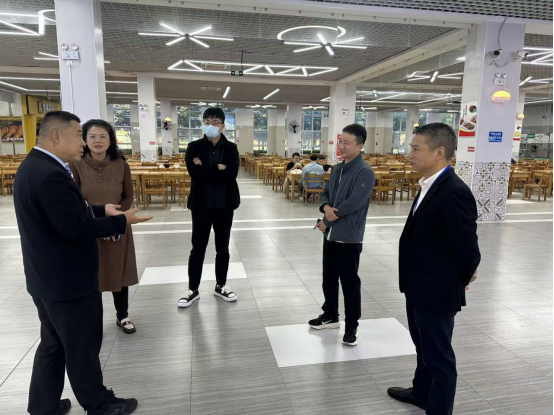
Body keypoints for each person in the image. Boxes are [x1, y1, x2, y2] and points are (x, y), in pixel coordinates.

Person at [14, 111, 152, 415]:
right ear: (56, 136)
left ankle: (43, 407)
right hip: (68, 282)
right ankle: (99, 404)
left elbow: (64, 214)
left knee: (53, 345)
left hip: (45, 278)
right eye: (79, 135)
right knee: (82, 347)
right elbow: (75, 227)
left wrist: (102, 209)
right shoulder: (51, 174)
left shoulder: (33, 166)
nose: (84, 141)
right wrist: (121, 222)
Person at [387, 123, 481, 415]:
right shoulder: (429, 184)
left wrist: (459, 278)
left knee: (440, 359)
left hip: (437, 290)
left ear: (439, 152)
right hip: (418, 285)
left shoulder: (454, 191)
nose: (410, 154)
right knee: (423, 347)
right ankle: (421, 393)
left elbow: (467, 248)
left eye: (416, 148)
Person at [69, 119, 138, 335]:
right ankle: (93, 320)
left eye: (103, 136)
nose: (97, 141)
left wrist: (115, 222)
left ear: (111, 140)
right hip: (89, 226)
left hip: (118, 226)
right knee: (93, 274)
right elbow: (75, 199)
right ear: (84, 139)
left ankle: (122, 315)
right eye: (92, 136)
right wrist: (99, 223)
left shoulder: (121, 165)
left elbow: (128, 196)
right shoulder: (76, 164)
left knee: (119, 272)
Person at [310, 124, 376, 346]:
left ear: (360, 146)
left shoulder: (364, 171)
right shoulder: (337, 169)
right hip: (330, 235)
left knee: (349, 283)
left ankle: (351, 326)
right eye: (341, 141)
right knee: (328, 278)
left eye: (347, 143)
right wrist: (325, 207)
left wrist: (326, 220)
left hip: (349, 237)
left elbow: (352, 204)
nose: (342, 146)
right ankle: (330, 315)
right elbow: (326, 193)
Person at [177, 107, 240, 308]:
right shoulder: (194, 147)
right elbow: (195, 174)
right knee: (198, 248)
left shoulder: (231, 148)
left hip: (224, 205)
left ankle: (221, 285)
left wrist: (204, 167)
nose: (210, 126)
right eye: (207, 122)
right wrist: (217, 168)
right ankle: (192, 289)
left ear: (222, 126)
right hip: (201, 204)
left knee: (223, 248)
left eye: (215, 122)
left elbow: (231, 174)